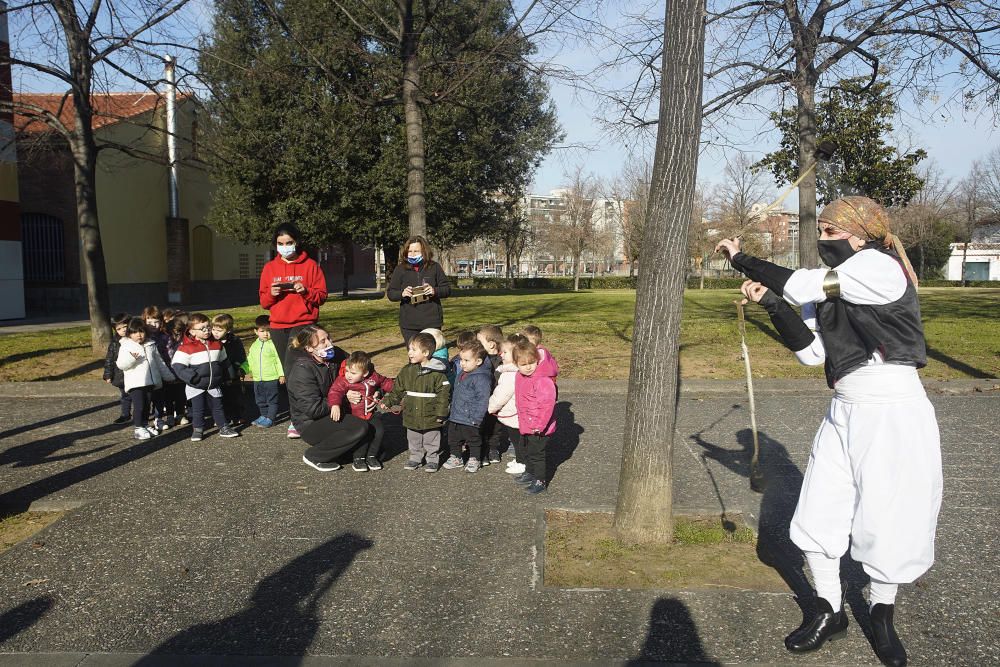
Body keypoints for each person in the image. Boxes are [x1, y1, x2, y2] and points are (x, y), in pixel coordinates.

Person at [715, 195, 942, 667]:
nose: (821, 241)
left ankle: (881, 616)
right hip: (844, 409)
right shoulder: (827, 289)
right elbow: (813, 354)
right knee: (819, 511)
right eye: (819, 231)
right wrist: (774, 305)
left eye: (830, 232)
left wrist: (740, 258)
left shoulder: (879, 268)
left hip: (893, 410)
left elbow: (801, 282)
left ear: (860, 235)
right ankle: (829, 610)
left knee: (889, 514)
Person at [259, 222, 328, 439]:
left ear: (296, 242)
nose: (285, 247)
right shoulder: (270, 268)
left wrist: (306, 291)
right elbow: (264, 302)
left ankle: (309, 414)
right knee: (290, 373)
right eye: (280, 244)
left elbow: (322, 296)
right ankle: (296, 417)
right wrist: (272, 293)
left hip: (303, 324)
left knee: (304, 370)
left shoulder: (310, 266)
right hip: (279, 325)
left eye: (289, 243)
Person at [285, 325, 369, 472]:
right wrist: (343, 399)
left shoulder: (335, 355)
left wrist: (375, 390)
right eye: (323, 341)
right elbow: (313, 410)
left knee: (374, 427)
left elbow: (363, 369)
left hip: (336, 411)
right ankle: (314, 456)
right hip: (311, 423)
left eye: (329, 338)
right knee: (360, 428)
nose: (330, 343)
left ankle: (347, 452)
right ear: (310, 348)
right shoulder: (302, 370)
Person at [378, 332, 451, 472]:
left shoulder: (438, 374)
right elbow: (397, 389)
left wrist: (442, 413)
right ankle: (415, 457)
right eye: (409, 349)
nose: (409, 353)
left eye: (413, 350)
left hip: (431, 413)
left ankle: (432, 459)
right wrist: (388, 401)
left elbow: (444, 395)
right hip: (411, 412)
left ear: (425, 352)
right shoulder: (407, 371)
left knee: (431, 438)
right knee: (413, 437)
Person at [171, 313, 241, 442]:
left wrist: (229, 375)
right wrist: (193, 378)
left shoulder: (217, 345)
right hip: (196, 385)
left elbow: (224, 361)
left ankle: (224, 427)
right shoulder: (185, 348)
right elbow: (177, 366)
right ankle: (198, 430)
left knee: (218, 407)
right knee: (198, 409)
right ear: (192, 331)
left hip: (214, 383)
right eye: (202, 328)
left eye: (208, 327)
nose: (207, 330)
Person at [326, 351, 393, 472]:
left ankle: (372, 456)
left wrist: (398, 389)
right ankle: (358, 458)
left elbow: (385, 382)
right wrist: (335, 405)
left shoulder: (373, 377)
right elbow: (335, 392)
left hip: (369, 414)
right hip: (354, 416)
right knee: (363, 434)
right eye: (347, 371)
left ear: (365, 373)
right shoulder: (343, 381)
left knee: (379, 431)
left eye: (353, 373)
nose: (348, 375)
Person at [116, 317, 175, 440]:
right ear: (129, 334)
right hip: (136, 383)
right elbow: (121, 364)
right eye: (135, 332)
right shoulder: (126, 346)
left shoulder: (151, 344)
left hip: (150, 382)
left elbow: (159, 362)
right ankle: (138, 428)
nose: (139, 335)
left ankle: (144, 424)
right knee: (139, 406)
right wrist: (133, 359)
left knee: (147, 406)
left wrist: (168, 376)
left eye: (141, 331)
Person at [510, 339, 557, 495]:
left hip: (539, 427)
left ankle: (540, 479)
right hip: (526, 422)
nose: (528, 367)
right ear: (516, 364)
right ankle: (530, 472)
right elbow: (519, 398)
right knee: (527, 450)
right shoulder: (519, 377)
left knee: (537, 454)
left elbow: (546, 406)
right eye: (523, 364)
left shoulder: (543, 380)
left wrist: (539, 425)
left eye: (532, 362)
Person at [386, 235, 451, 345]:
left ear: (424, 251)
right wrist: (402, 294)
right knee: (415, 356)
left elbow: (447, 290)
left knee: (432, 356)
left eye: (416, 251)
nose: (412, 254)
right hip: (409, 324)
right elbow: (391, 293)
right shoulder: (400, 269)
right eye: (409, 251)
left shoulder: (434, 267)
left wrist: (434, 291)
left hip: (431, 322)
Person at [441, 340, 493, 472]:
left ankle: (474, 458)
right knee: (453, 438)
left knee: (473, 440)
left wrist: (477, 418)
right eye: (461, 360)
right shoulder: (462, 374)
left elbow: (483, 400)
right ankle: (456, 457)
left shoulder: (481, 378)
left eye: (466, 360)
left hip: (471, 418)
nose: (462, 363)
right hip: (456, 415)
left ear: (478, 362)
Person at [489, 333, 525, 474]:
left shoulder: (510, 374)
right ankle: (520, 459)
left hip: (513, 415)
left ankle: (522, 462)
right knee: (518, 439)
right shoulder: (514, 370)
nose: (501, 355)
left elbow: (501, 395)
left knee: (517, 440)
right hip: (516, 413)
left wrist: (490, 407)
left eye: (505, 352)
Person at [245, 315, 285, 428]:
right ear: (256, 331)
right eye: (262, 331)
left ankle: (270, 418)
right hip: (257, 378)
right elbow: (250, 359)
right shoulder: (254, 345)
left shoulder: (274, 345)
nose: (266, 334)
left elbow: (279, 360)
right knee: (260, 399)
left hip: (271, 377)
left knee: (272, 399)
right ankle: (263, 415)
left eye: (269, 331)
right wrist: (245, 369)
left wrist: (281, 374)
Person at [212, 313, 248, 427]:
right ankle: (223, 417)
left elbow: (240, 355)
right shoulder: (211, 341)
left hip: (232, 371)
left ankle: (237, 416)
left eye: (219, 330)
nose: (215, 333)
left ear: (228, 330)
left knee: (235, 395)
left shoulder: (234, 340)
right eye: (214, 329)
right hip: (217, 372)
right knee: (220, 397)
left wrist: (238, 367)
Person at [477, 324, 505, 464]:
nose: (478, 345)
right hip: (483, 397)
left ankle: (494, 448)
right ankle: (481, 448)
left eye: (480, 342)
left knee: (496, 425)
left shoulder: (504, 359)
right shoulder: (480, 358)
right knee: (481, 424)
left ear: (492, 344)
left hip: (498, 398)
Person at [103, 312, 132, 425]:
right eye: (119, 328)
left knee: (139, 396)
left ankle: (142, 414)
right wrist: (108, 374)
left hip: (136, 374)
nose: (123, 330)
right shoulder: (115, 343)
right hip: (121, 375)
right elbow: (109, 360)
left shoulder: (136, 338)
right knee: (125, 396)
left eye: (125, 326)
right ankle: (125, 414)